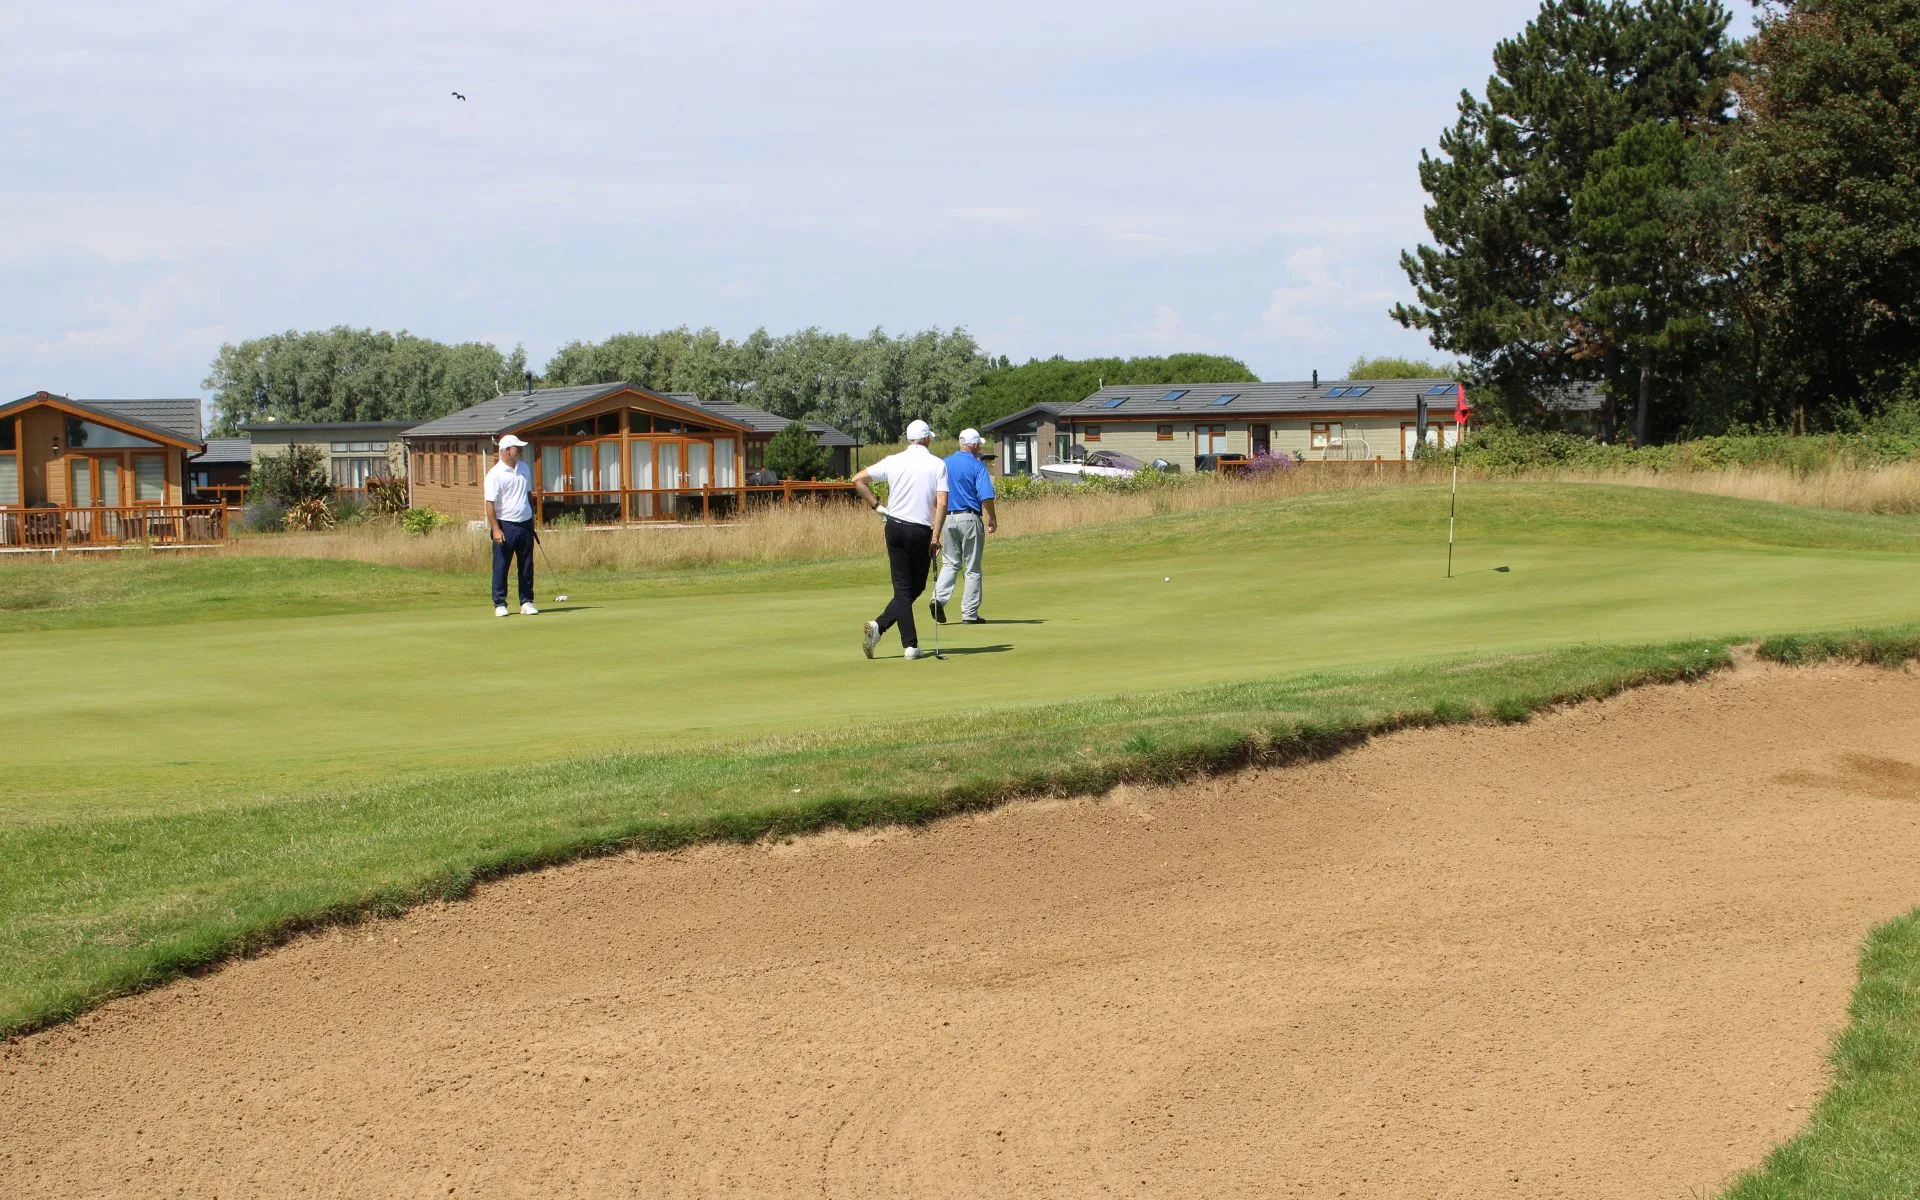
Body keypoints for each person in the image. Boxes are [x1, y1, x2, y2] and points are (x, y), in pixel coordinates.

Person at [851, 419, 947, 660]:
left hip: (894, 527)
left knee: (910, 588)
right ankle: (911, 646)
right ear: (927, 439)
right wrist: (936, 536)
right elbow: (942, 503)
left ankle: (879, 626)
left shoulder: (893, 460)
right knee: (909, 588)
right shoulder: (937, 464)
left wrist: (877, 507)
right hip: (920, 530)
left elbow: (858, 480)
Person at [931, 428, 997, 625]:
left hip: (947, 518)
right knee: (972, 567)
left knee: (950, 562)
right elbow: (985, 495)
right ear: (975, 445)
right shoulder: (977, 466)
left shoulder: (944, 463)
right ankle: (969, 613)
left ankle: (938, 598)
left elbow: (936, 495)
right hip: (969, 517)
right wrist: (992, 518)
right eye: (980, 444)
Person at [484, 434, 538, 617]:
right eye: (517, 448)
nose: (520, 450)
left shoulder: (524, 468)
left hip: (524, 524)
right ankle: (499, 603)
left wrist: (531, 518)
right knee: (501, 565)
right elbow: (489, 504)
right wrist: (496, 529)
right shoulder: (495, 474)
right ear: (507, 451)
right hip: (505, 525)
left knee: (526, 566)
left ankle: (526, 601)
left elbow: (528, 494)